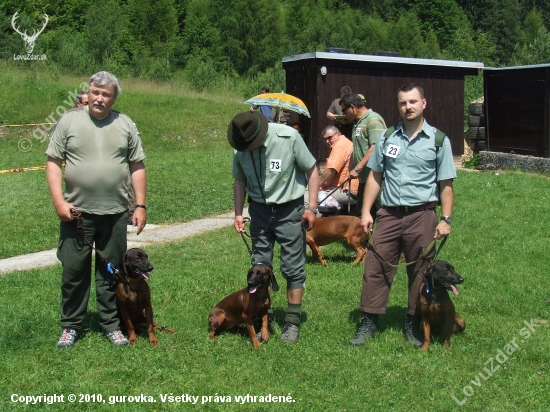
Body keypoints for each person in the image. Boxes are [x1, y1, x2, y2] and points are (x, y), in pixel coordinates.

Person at [348, 83, 456, 348]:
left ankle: (413, 322)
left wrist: (446, 218)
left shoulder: (439, 140)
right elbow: (375, 176)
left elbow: (446, 184)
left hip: (423, 215)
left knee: (421, 271)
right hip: (388, 215)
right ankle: (369, 322)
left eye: (412, 102)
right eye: (402, 103)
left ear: (423, 104)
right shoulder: (387, 137)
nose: (407, 107)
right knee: (375, 268)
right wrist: (365, 212)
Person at [46, 71, 147, 349]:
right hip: (76, 214)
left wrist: (140, 205)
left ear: (114, 98)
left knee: (111, 273)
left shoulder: (125, 123)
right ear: (87, 93)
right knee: (74, 272)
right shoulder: (69, 121)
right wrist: (59, 202)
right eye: (95, 92)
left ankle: (112, 325)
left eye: (106, 95)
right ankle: (71, 326)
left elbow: (137, 165)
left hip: (115, 213)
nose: (99, 98)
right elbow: (53, 162)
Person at [229, 111, 319, 344]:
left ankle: (292, 321)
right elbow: (239, 181)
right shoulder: (240, 146)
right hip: (259, 211)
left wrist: (312, 207)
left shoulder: (289, 137)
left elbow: (311, 169)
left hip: (289, 210)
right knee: (259, 266)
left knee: (292, 267)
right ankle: (263, 319)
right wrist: (239, 213)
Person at [339, 93, 386, 218]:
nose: (343, 114)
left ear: (352, 107)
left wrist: (358, 168)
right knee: (362, 215)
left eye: (344, 110)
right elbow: (356, 150)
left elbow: (375, 148)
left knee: (382, 213)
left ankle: (383, 237)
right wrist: (348, 173)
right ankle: (366, 238)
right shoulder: (357, 123)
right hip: (364, 178)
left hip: (377, 178)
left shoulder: (373, 120)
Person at [318, 125, 358, 207]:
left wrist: (318, 184)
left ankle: (317, 220)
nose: (327, 141)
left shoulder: (340, 145)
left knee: (310, 198)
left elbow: (331, 170)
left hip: (346, 190)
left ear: (338, 134)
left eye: (329, 138)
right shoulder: (345, 143)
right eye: (324, 139)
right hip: (345, 189)